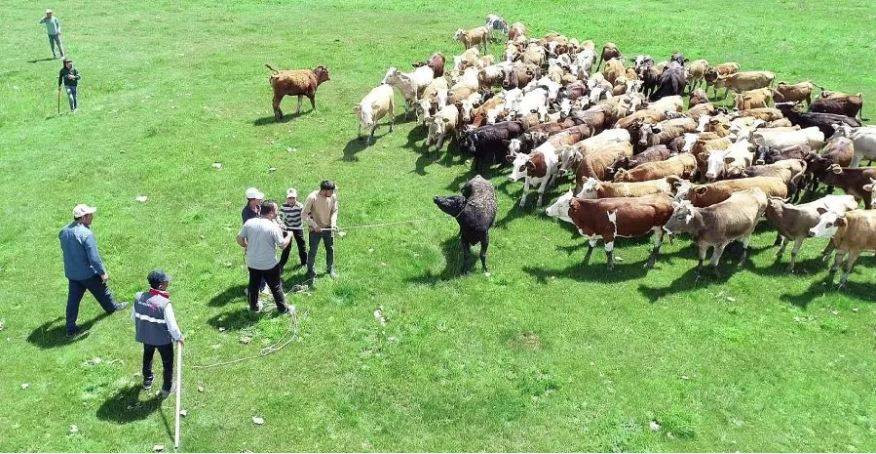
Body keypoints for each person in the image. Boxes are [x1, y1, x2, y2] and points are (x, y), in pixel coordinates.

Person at [58, 204, 128, 337]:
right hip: (88, 274)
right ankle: (112, 308)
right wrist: (102, 273)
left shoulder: (63, 231)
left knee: (73, 301)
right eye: (90, 215)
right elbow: (94, 258)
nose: (92, 217)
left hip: (72, 273)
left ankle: (70, 329)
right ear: (83, 217)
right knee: (103, 292)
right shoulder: (86, 234)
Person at [132, 270, 183, 399]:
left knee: (147, 356)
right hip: (163, 341)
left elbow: (134, 317)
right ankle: (167, 388)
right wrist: (179, 337)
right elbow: (172, 326)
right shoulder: (164, 304)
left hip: (146, 336)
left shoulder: (138, 297)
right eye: (166, 282)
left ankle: (147, 380)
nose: (168, 283)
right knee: (167, 363)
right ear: (160, 286)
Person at [237, 200, 293, 313]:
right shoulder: (273, 227)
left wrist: (246, 245)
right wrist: (290, 235)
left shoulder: (249, 223)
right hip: (269, 264)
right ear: (271, 212)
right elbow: (282, 245)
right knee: (276, 286)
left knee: (254, 284)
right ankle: (283, 309)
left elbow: (239, 238)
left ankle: (254, 308)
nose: (277, 212)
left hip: (252, 262)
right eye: (276, 210)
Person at [302, 180, 339, 281]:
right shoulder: (312, 197)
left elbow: (334, 211)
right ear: (324, 190)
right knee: (313, 251)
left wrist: (333, 223)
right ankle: (310, 271)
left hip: (328, 228)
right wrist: (314, 225)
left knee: (330, 249)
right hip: (315, 230)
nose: (333, 193)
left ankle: (330, 268)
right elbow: (304, 214)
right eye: (331, 191)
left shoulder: (333, 196)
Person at [278, 188, 307, 271]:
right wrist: (281, 224)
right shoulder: (283, 207)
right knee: (287, 246)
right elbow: (280, 218)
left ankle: (304, 262)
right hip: (287, 228)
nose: (291, 200)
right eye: (289, 198)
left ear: (296, 198)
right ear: (286, 198)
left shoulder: (300, 206)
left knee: (301, 245)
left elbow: (304, 215)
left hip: (297, 227)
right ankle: (281, 264)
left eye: (293, 198)